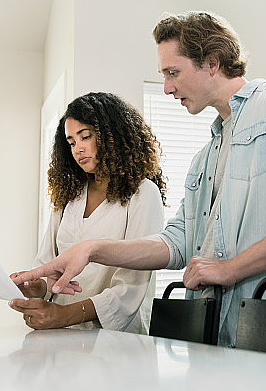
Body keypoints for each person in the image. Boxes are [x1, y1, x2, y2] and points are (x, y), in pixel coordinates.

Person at [13, 12, 266, 346]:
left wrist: (231, 269)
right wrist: (91, 250)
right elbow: (177, 243)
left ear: (212, 62)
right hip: (220, 336)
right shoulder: (204, 159)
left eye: (173, 72)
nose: (167, 87)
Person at [9, 92, 165, 333]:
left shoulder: (143, 194)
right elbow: (48, 266)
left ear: (113, 136)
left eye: (85, 137)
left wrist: (64, 315)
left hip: (116, 342)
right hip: (61, 338)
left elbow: (129, 289)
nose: (78, 149)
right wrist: (35, 287)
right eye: (71, 142)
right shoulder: (69, 195)